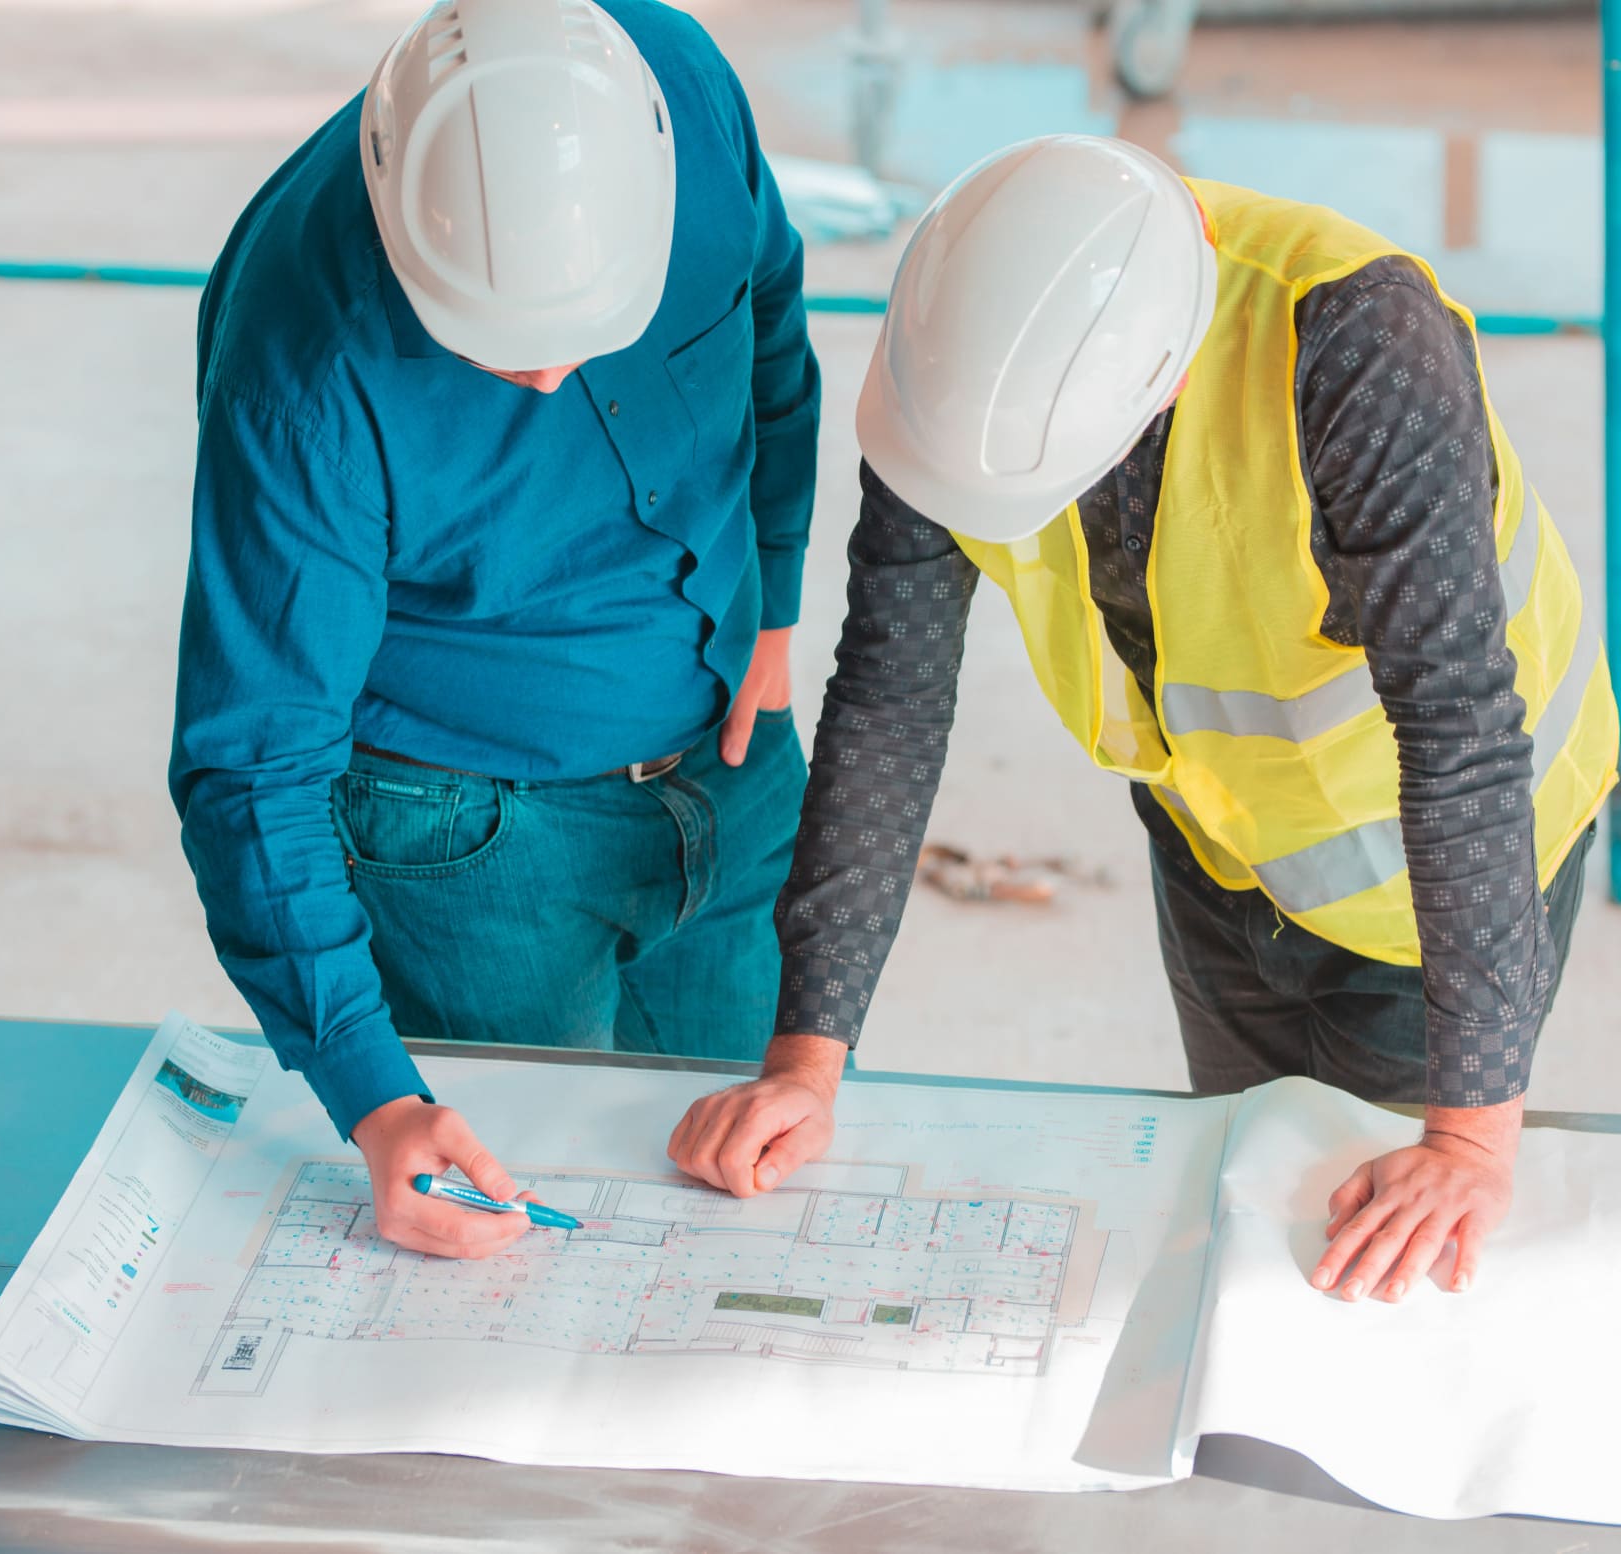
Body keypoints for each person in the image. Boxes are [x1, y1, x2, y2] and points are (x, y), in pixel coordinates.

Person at [669, 135, 1616, 1305]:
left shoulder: (1358, 342)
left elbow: (1458, 738)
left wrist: (1470, 1137)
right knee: (1246, 1189)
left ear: (1161, 377)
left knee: (1367, 1274)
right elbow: (887, 698)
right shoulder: (959, 340)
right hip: (1210, 840)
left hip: (1428, 879)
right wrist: (806, 1061)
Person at [171, 0, 819, 1258]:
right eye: (490, 340)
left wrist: (773, 612)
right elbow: (254, 765)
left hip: (736, 769)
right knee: (540, 1250)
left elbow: (773, 335)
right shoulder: (301, 363)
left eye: (588, 327)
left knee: (726, 1198)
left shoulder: (676, 84)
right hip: (473, 850)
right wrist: (377, 1097)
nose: (539, 378)